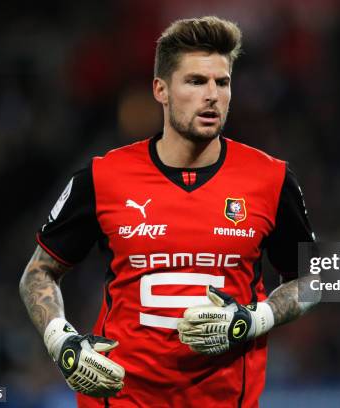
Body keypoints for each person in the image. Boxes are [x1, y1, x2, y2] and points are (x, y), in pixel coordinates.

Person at [19, 16, 317, 408]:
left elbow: (314, 278)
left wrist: (256, 318)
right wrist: (62, 341)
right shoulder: (102, 178)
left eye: (222, 82)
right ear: (160, 89)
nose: (212, 95)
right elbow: (39, 273)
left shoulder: (271, 180)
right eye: (195, 81)